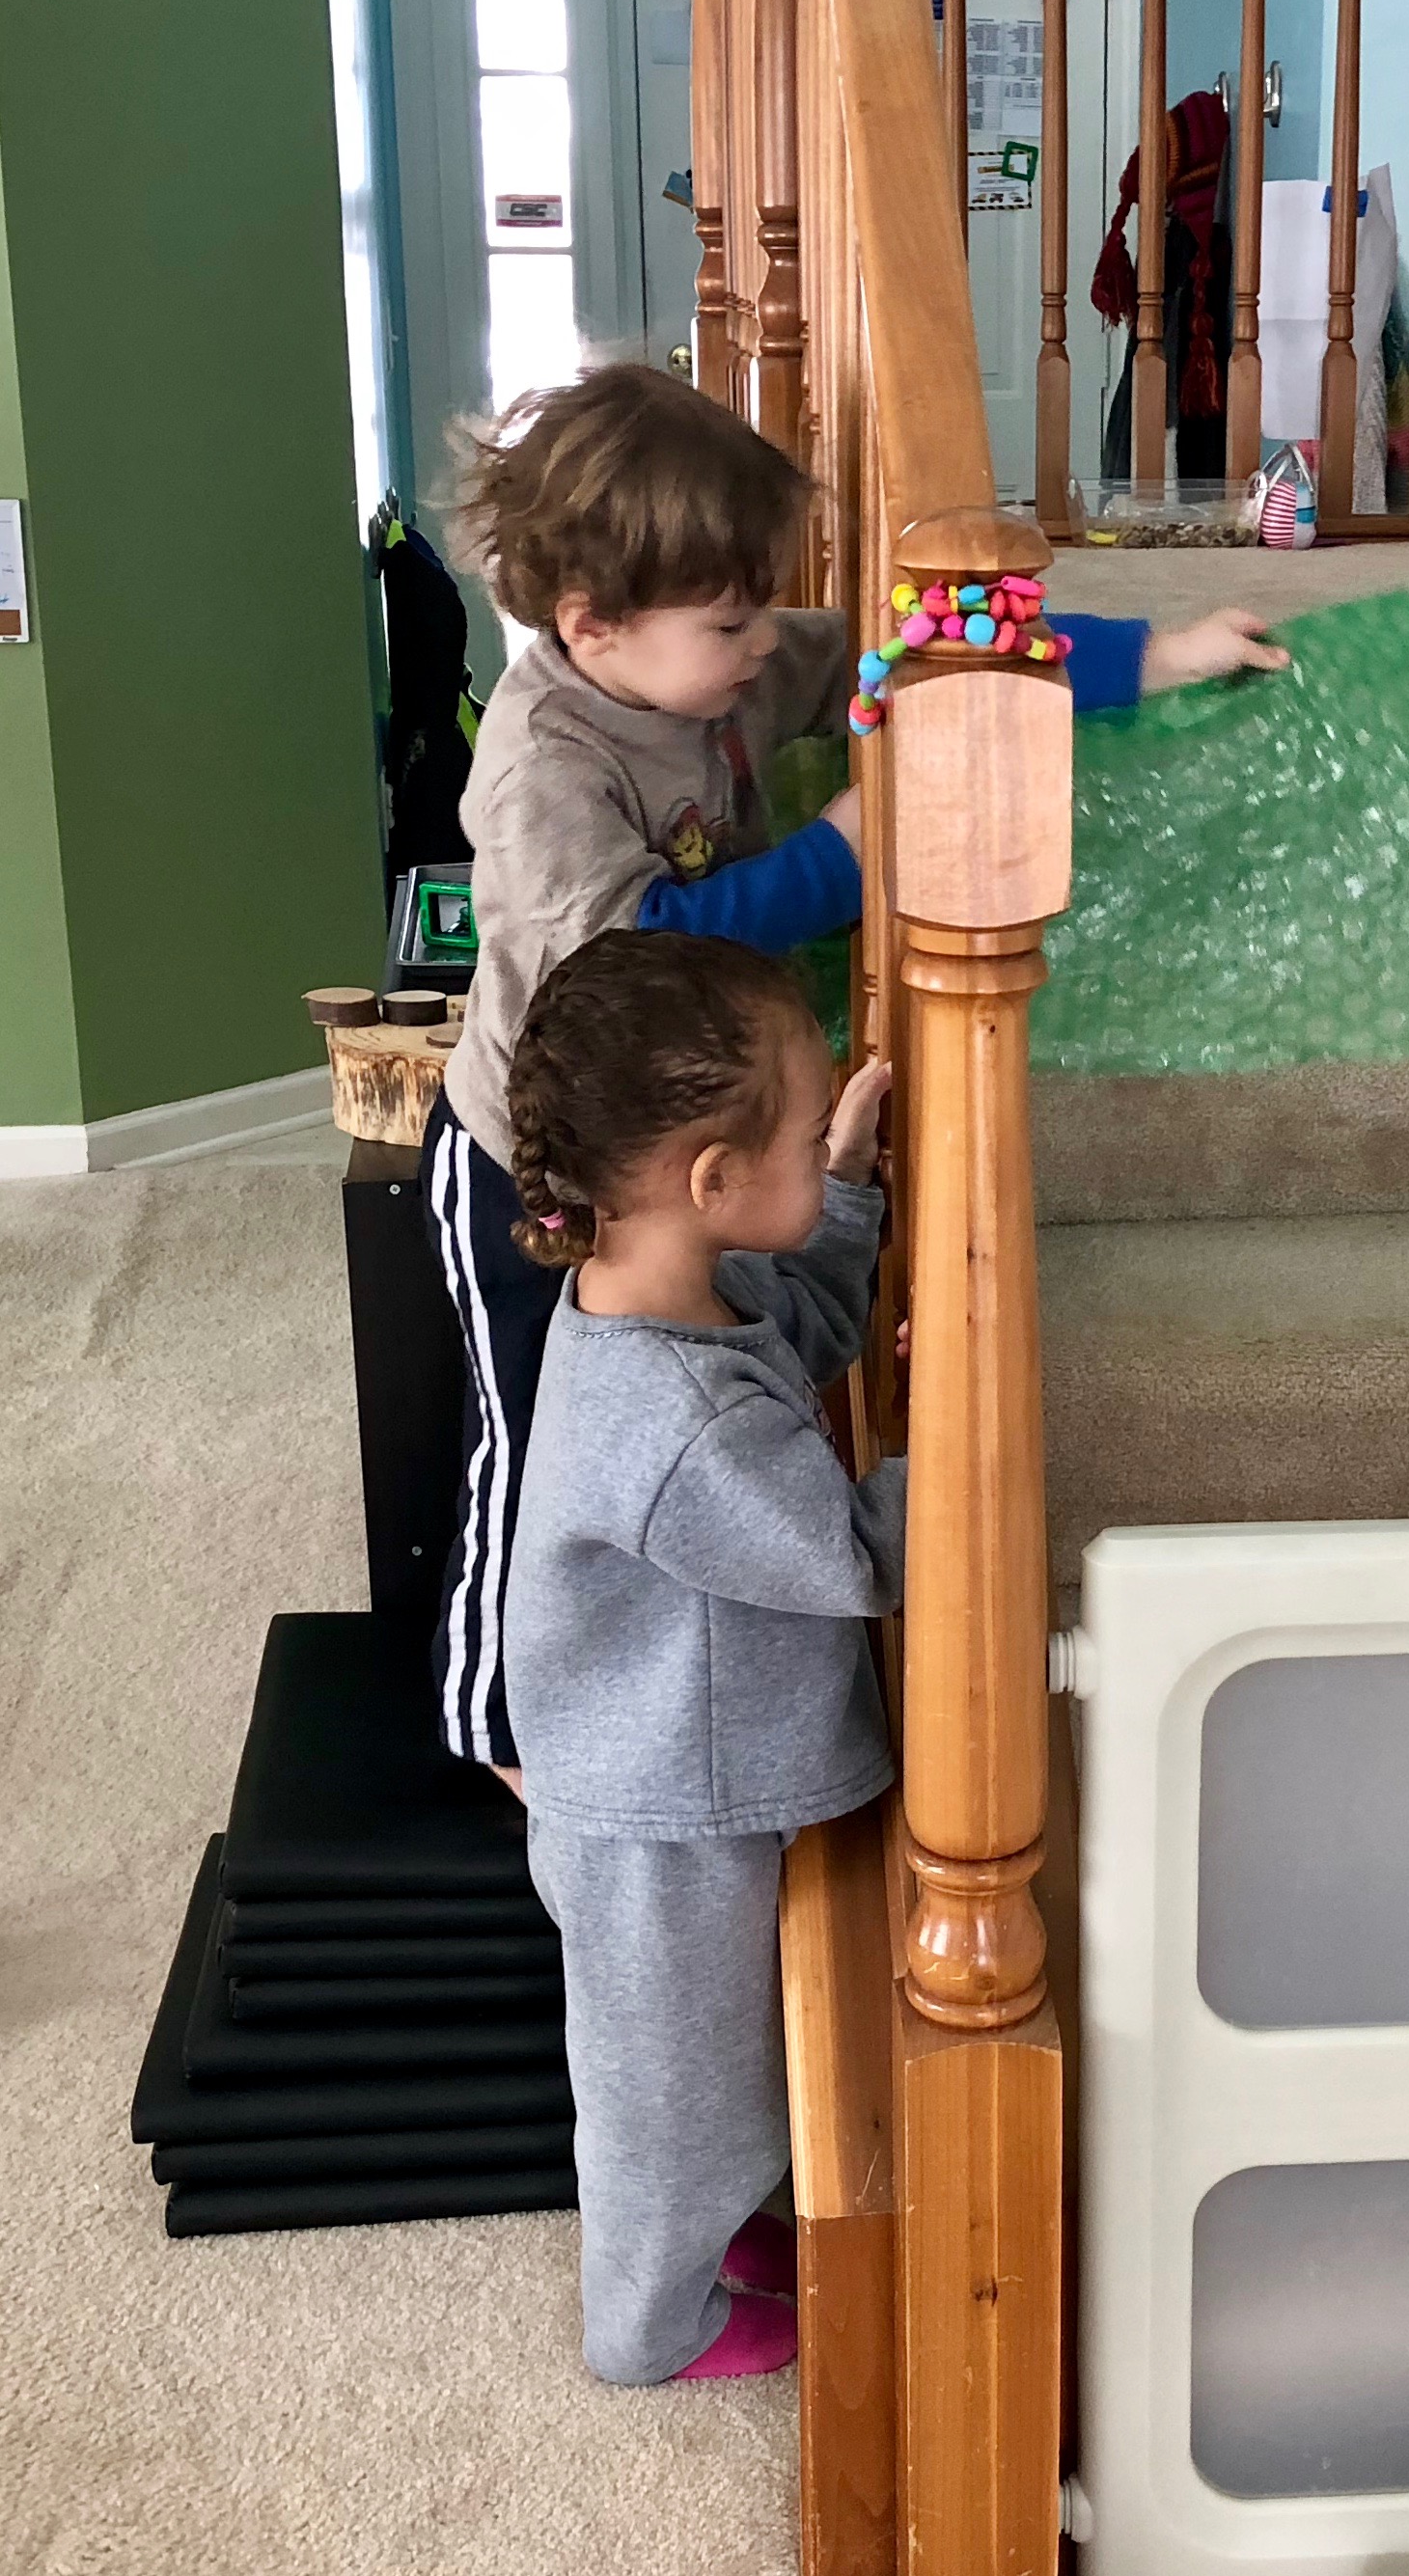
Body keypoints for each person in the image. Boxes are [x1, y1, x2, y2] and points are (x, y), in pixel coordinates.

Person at [427, 360, 1280, 1781]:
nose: (767, 644)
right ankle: (493, 1719)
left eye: (763, 610)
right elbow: (631, 950)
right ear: (593, 627)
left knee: (695, 1379)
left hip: (686, 1128)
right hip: (540, 1149)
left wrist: (1160, 654)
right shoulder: (545, 769)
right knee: (533, 1429)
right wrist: (840, 855)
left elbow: (943, 655)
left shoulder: (722, 657)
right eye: (730, 621)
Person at [500, 927, 899, 2382]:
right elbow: (853, 1556)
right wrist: (966, 1436)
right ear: (714, 1184)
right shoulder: (681, 1430)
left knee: (721, 2075)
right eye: (805, 1127)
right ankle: (648, 2326)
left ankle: (720, 2230)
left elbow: (817, 1318)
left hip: (687, 1768)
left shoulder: (689, 1290)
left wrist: (842, 1180)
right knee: (672, 2097)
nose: (824, 1129)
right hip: (657, 1813)